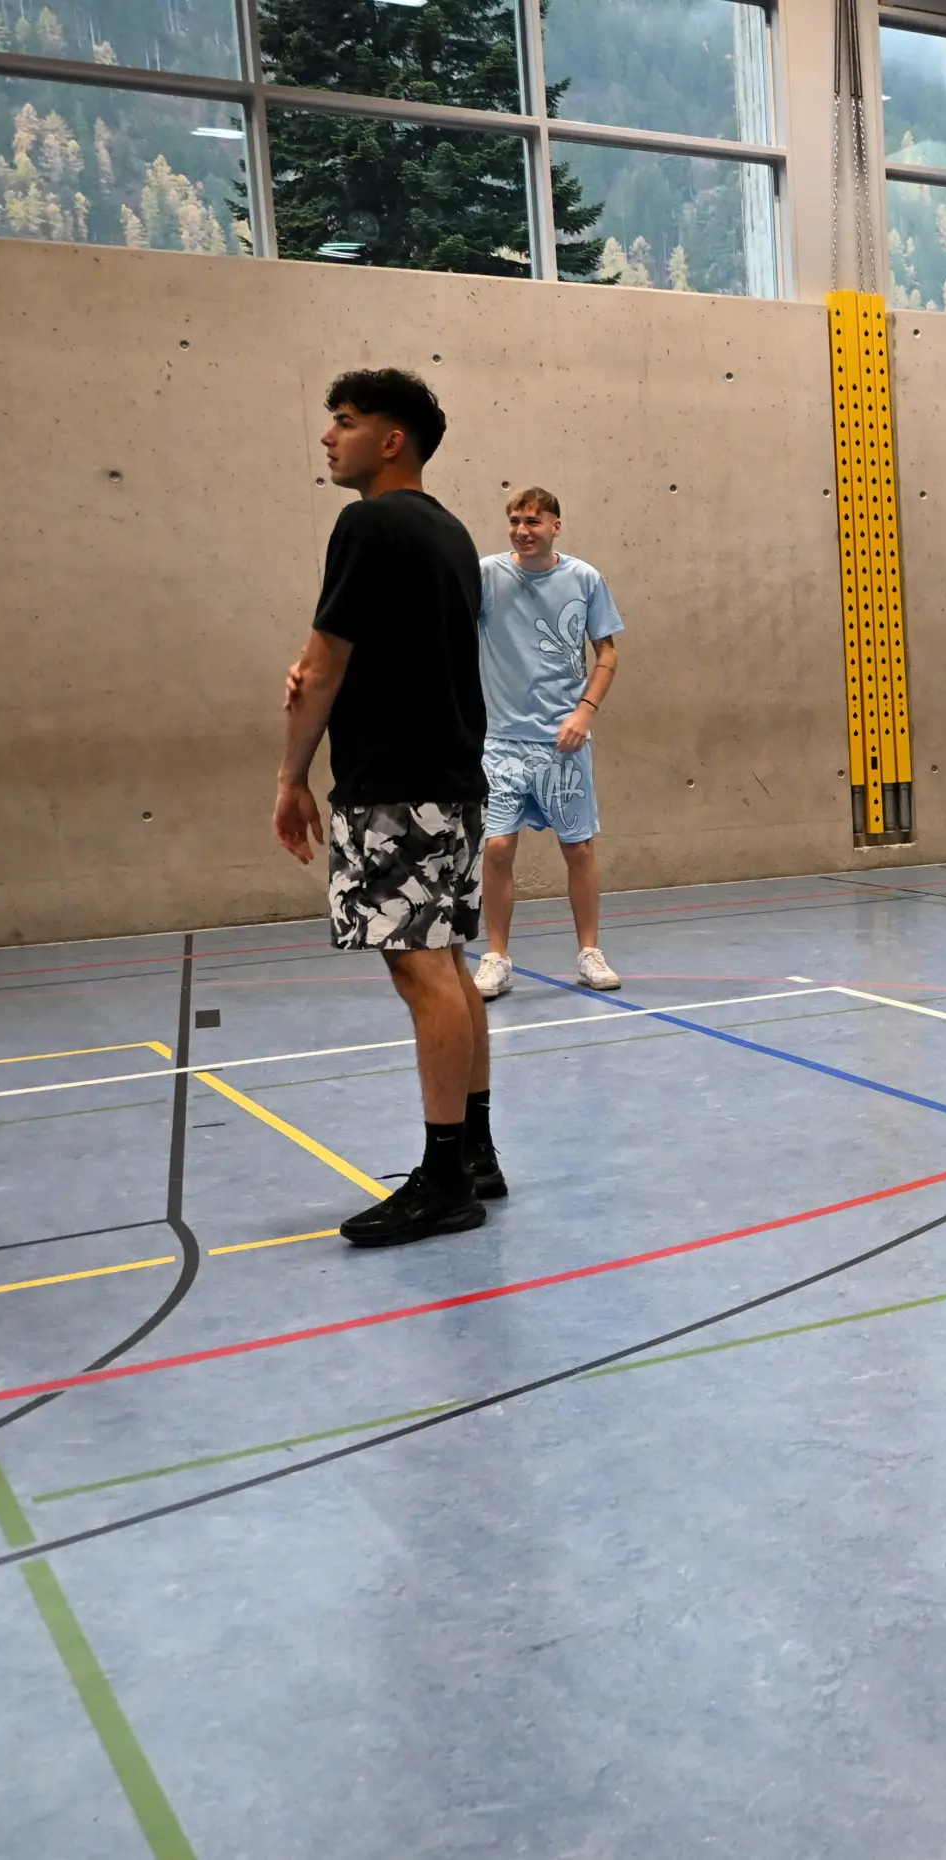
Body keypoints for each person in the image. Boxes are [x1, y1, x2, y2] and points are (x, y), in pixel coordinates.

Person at [273, 368, 501, 1246]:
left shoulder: (366, 523)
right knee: (445, 956)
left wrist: (291, 777)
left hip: (395, 783)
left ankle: (444, 1179)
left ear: (391, 439)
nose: (330, 438)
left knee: (419, 967)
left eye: (345, 422)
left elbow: (325, 661)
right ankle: (474, 1151)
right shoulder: (447, 530)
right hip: (448, 777)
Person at [469, 487, 627, 999]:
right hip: (501, 743)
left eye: (533, 520)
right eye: (515, 520)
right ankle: (496, 958)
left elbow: (607, 653)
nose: (522, 530)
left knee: (577, 848)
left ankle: (589, 952)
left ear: (555, 525)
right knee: (496, 849)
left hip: (564, 743)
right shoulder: (486, 574)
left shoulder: (584, 579)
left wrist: (585, 710)